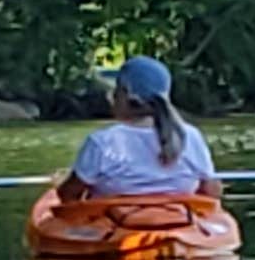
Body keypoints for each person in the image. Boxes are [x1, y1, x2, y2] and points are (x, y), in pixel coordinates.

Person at [45, 55, 219, 216]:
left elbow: (68, 195)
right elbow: (211, 192)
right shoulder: (189, 136)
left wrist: (62, 182)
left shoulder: (102, 142)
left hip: (117, 227)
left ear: (125, 94)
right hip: (177, 222)